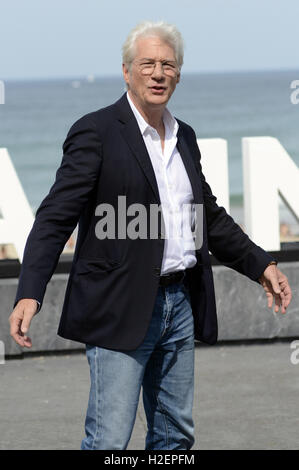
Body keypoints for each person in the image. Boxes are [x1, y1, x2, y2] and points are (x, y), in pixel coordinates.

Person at [9, 21, 292, 450]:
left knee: (174, 438)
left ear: (178, 74)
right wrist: (30, 290)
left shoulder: (185, 137)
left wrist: (262, 265)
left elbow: (208, 218)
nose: (158, 73)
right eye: (147, 64)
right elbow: (53, 218)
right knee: (108, 440)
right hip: (119, 305)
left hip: (179, 306)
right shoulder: (97, 132)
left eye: (168, 64)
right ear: (126, 71)